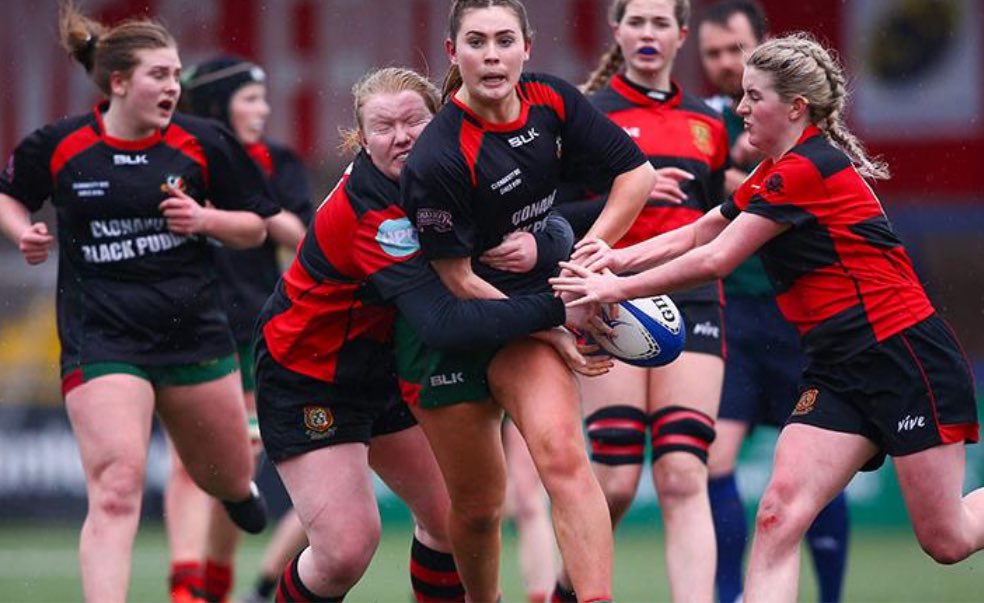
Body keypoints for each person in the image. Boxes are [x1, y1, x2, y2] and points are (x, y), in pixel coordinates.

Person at [552, 33, 984, 603]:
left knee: (946, 539)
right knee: (778, 516)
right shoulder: (775, 172)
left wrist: (616, 286)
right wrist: (614, 254)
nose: (740, 109)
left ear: (795, 108)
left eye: (754, 97)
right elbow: (703, 227)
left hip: (901, 356)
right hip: (836, 370)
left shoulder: (808, 170)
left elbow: (716, 259)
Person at [255, 66, 588, 603]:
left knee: (450, 518)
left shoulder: (453, 170)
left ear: (440, 119)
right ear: (362, 141)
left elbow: (550, 221)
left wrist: (544, 249)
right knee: (346, 549)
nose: (402, 136)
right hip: (310, 375)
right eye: (383, 127)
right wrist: (555, 312)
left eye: (414, 120)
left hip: (383, 364)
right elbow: (441, 321)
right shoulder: (371, 212)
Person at [0, 3, 274, 601]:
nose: (173, 87)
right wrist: (22, 230)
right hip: (103, 340)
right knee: (117, 488)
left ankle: (235, 490)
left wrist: (206, 219)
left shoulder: (204, 143)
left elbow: (256, 227)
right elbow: (6, 195)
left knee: (229, 473)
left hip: (195, 336)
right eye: (160, 75)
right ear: (119, 82)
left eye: (176, 75)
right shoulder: (62, 146)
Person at [397, 2, 657, 601]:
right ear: (452, 53)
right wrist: (551, 325)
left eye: (504, 40)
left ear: (527, 48)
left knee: (565, 458)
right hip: (456, 327)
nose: (492, 55)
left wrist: (587, 257)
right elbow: (459, 282)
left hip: (529, 316)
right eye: (477, 41)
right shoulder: (438, 158)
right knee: (480, 509)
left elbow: (636, 175)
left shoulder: (552, 101)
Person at [552, 1, 729, 601]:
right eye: (637, 22)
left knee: (683, 473)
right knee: (619, 475)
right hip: (610, 300)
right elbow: (552, 217)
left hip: (694, 298)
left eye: (660, 24)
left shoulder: (710, 122)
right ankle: (566, 590)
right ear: (617, 30)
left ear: (681, 35)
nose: (648, 34)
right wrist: (632, 187)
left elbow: (724, 220)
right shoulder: (586, 116)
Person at [697, 3, 848, 602]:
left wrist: (752, 179)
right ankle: (731, 592)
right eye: (712, 54)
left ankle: (831, 595)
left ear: (763, 44)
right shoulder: (704, 122)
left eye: (736, 49)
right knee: (715, 459)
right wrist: (719, 181)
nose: (726, 64)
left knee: (818, 473)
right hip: (734, 314)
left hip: (801, 320)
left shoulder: (797, 120)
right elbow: (691, 211)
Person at [162, 56, 314, 603]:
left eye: (263, 98)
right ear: (217, 105)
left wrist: (246, 203)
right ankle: (188, 584)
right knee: (188, 458)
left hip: (253, 326)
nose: (263, 109)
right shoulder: (173, 159)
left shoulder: (275, 162)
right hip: (185, 321)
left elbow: (300, 234)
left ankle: (219, 579)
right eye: (250, 99)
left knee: (234, 464)